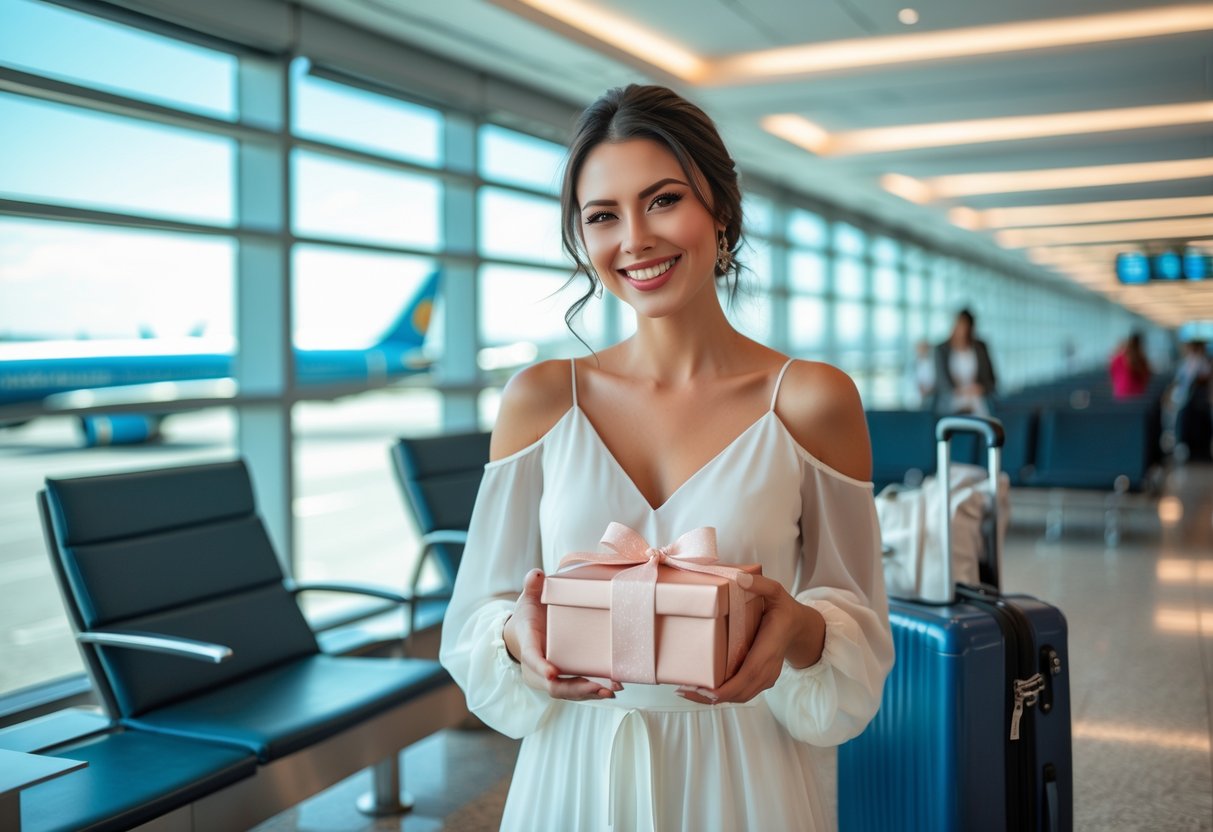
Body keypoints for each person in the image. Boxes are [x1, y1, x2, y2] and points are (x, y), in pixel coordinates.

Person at [439, 84, 894, 831]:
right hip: (574, 771)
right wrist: (518, 637)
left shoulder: (811, 400)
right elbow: (476, 617)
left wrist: (797, 628)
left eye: (661, 200)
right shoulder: (542, 400)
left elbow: (859, 626)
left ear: (720, 207)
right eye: (602, 216)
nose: (635, 239)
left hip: (742, 772)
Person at [934, 308, 997, 416]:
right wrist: (961, 391)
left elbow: (992, 381)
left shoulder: (980, 348)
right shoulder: (941, 349)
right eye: (960, 326)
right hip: (950, 405)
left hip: (978, 404)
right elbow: (942, 383)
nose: (962, 331)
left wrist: (980, 388)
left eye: (966, 327)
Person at [1108, 331, 1152, 399]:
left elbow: (1112, 377)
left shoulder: (1117, 359)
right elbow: (1146, 378)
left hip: (1120, 396)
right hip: (1138, 396)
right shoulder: (1141, 360)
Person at [905, 338, 937, 409]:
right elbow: (911, 380)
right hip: (917, 398)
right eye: (919, 348)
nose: (921, 350)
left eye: (924, 348)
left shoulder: (934, 364)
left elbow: (936, 380)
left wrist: (928, 389)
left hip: (932, 396)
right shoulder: (914, 364)